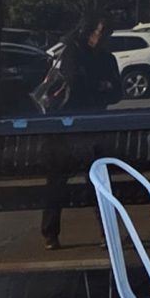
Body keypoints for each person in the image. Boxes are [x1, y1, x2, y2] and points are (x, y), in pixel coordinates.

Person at [35, 17, 120, 248]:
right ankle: (52, 234)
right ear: (85, 31)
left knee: (95, 181)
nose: (99, 38)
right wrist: (100, 87)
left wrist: (96, 87)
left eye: (104, 33)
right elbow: (74, 87)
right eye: (97, 32)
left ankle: (105, 233)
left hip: (85, 128)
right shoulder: (72, 55)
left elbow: (116, 92)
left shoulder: (103, 58)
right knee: (64, 181)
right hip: (67, 130)